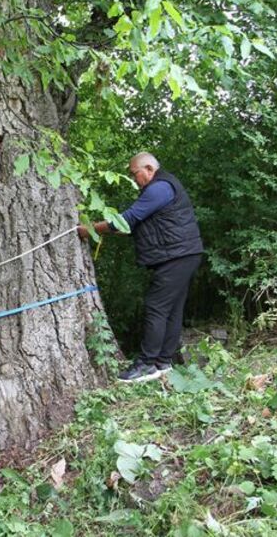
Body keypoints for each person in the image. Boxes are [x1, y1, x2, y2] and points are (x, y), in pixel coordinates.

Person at [78, 152, 203, 383]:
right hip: (183, 254)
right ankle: (163, 362)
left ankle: (147, 364)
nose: (134, 179)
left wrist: (90, 229)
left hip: (177, 256)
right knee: (172, 308)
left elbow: (128, 219)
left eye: (135, 174)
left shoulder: (159, 188)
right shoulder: (162, 186)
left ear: (148, 168)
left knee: (156, 306)